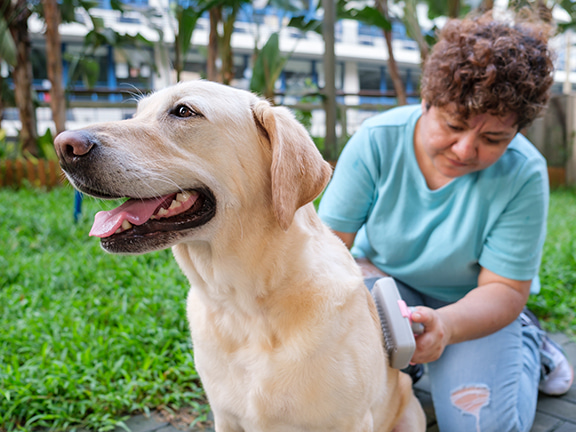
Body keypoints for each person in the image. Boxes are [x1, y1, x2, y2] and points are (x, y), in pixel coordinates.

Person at [318, 11, 574, 432]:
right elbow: (328, 248)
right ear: (427, 101)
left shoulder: (524, 172)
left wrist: (448, 327)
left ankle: (532, 347)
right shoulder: (376, 141)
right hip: (384, 285)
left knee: (478, 424)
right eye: (453, 125)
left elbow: (504, 288)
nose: (465, 150)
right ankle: (413, 362)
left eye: (494, 139)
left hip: (475, 301)